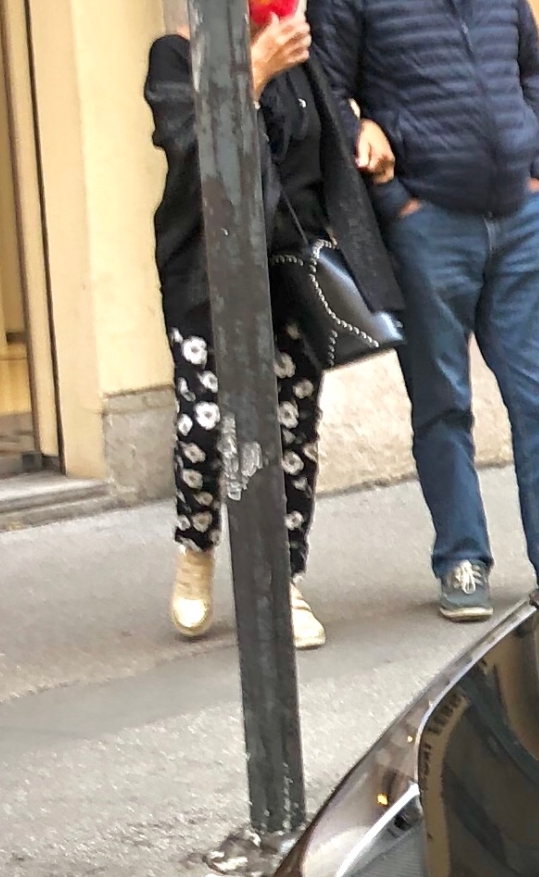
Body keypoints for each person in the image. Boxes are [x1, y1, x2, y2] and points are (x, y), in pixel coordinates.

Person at [313, 0, 539, 622]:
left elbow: (529, 71)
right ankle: (462, 558)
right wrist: (393, 198)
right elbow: (325, 89)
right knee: (442, 405)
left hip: (524, 219)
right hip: (428, 224)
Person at [145, 0, 401, 650]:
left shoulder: (299, 55)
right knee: (205, 431)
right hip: (209, 275)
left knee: (293, 432)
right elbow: (189, 153)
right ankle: (197, 546)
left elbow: (323, 150)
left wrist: (365, 131)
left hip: (292, 272)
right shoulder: (177, 58)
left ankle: (281, 581)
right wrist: (251, 76)